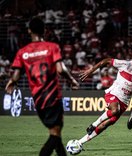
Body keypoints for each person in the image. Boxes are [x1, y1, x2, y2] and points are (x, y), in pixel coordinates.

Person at [5, 17, 79, 156]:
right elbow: (60, 69)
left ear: (29, 31)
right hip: (52, 97)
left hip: (38, 100)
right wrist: (71, 80)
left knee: (56, 133)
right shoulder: (52, 47)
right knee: (55, 135)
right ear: (44, 30)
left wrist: (12, 82)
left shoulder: (22, 52)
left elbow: (16, 75)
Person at [76, 48, 132, 151]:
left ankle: (80, 142)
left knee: (106, 124)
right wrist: (91, 70)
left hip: (125, 102)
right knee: (115, 110)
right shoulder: (125, 64)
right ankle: (93, 125)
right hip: (113, 94)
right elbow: (106, 60)